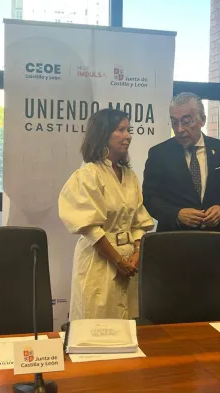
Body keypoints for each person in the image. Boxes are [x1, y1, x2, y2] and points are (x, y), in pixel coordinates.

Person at [58, 109, 154, 320]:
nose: (128, 136)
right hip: (99, 261)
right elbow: (90, 228)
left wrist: (137, 253)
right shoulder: (87, 175)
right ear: (103, 134)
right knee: (97, 323)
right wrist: (118, 260)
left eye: (128, 130)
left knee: (127, 324)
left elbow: (139, 222)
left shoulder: (130, 176)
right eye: (120, 130)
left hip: (130, 264)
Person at [143, 92, 220, 232]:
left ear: (202, 120)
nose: (179, 129)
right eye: (174, 122)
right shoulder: (159, 154)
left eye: (186, 121)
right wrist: (176, 214)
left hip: (213, 237)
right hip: (172, 237)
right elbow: (150, 198)